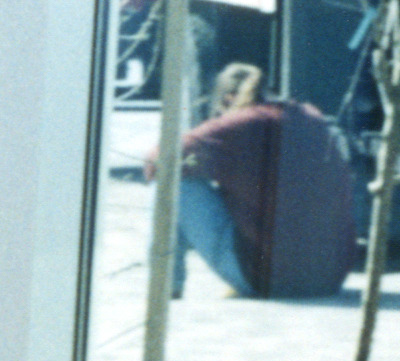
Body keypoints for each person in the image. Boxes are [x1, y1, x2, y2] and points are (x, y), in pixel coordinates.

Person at [152, 62, 361, 302]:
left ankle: (166, 289)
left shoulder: (239, 123)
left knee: (175, 182)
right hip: (328, 278)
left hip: (269, 280)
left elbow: (159, 161)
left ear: (229, 99)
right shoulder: (310, 117)